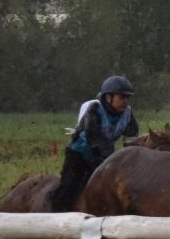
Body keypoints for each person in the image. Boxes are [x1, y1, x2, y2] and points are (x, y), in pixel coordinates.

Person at [52, 76, 142, 211]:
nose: (125, 101)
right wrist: (112, 159)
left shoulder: (127, 113)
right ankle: (56, 215)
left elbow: (131, 138)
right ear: (108, 97)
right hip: (80, 154)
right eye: (121, 97)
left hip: (105, 154)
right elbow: (95, 140)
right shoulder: (95, 109)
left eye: (127, 97)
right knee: (69, 187)